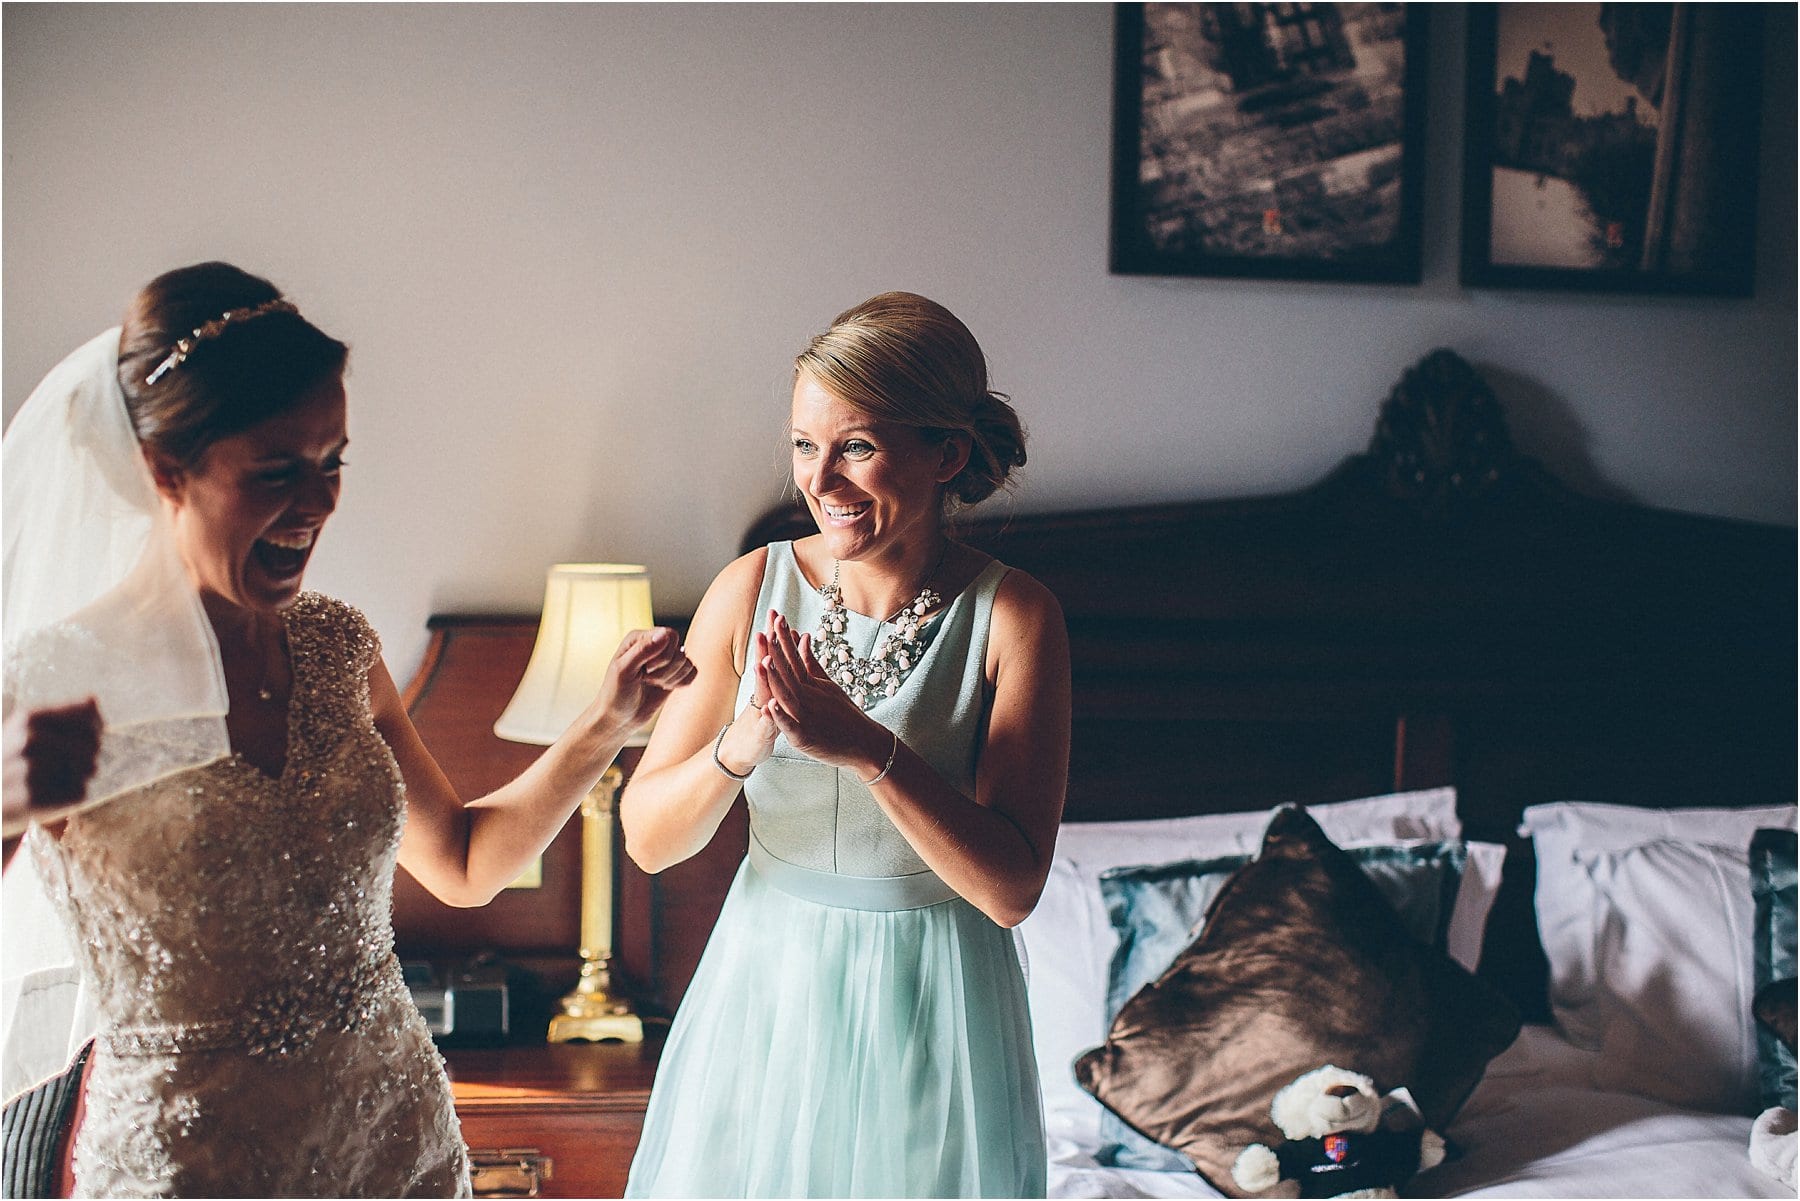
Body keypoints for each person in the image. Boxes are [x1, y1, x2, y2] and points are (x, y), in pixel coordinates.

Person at [0, 261, 695, 1198]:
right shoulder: (53, 683)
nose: (320, 503)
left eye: (333, 462)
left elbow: (465, 859)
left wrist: (606, 723)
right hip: (195, 1165)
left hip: (393, 1141)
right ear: (167, 470)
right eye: (277, 471)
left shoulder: (336, 645)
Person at [619, 291, 1071, 1198]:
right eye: (803, 445)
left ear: (945, 452)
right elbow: (649, 838)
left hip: (935, 1000)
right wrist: (745, 740)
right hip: (767, 984)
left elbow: (1011, 889)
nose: (819, 481)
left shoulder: (1014, 616)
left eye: (856, 446)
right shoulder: (750, 587)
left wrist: (869, 750)